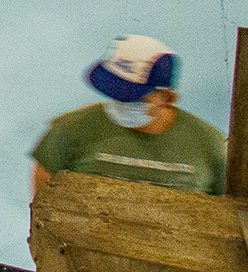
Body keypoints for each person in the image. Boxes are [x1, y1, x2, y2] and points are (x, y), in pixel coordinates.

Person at [31, 35, 225, 196]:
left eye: (135, 99)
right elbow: (44, 184)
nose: (121, 104)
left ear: (168, 98)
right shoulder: (70, 129)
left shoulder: (210, 145)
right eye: (114, 94)